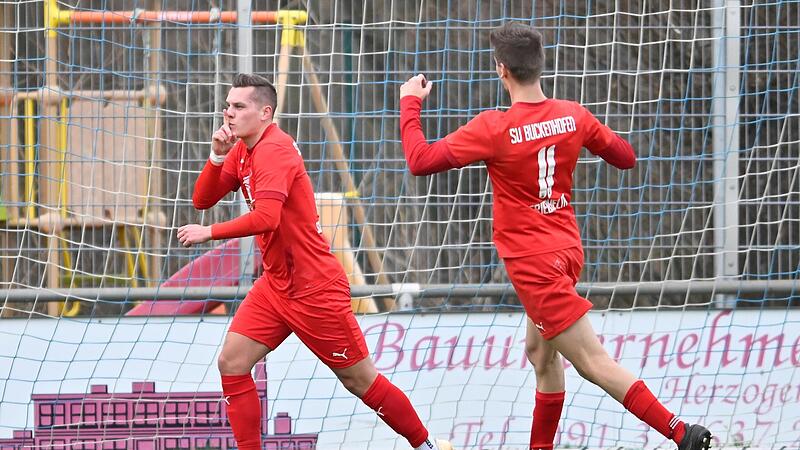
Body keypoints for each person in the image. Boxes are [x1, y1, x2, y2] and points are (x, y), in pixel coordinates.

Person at [398, 22, 712, 450]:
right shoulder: (573, 114)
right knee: (540, 354)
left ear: (501, 70)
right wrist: (581, 137)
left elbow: (419, 160)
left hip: (534, 265)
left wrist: (410, 104)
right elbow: (625, 157)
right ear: (539, 66)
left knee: (592, 362)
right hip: (565, 249)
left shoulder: (494, 127)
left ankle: (681, 432)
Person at [178, 73, 453, 450]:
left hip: (314, 289)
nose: (229, 113)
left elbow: (267, 218)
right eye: (227, 105)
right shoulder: (242, 148)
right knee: (233, 362)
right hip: (277, 286)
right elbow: (201, 199)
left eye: (239, 106)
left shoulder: (274, 151)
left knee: (360, 381)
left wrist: (209, 233)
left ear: (265, 113)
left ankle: (427, 446)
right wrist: (216, 154)